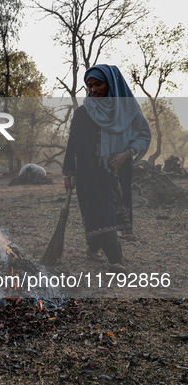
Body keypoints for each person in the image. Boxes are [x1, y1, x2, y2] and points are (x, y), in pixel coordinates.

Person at [62, 65, 151, 271]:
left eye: (98, 84)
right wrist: (68, 172)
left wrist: (126, 153)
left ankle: (92, 249)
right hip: (90, 172)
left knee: (108, 213)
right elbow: (72, 144)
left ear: (111, 83)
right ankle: (115, 260)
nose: (93, 90)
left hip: (117, 172)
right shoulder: (83, 113)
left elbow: (143, 135)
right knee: (99, 212)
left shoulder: (128, 111)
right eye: (89, 86)